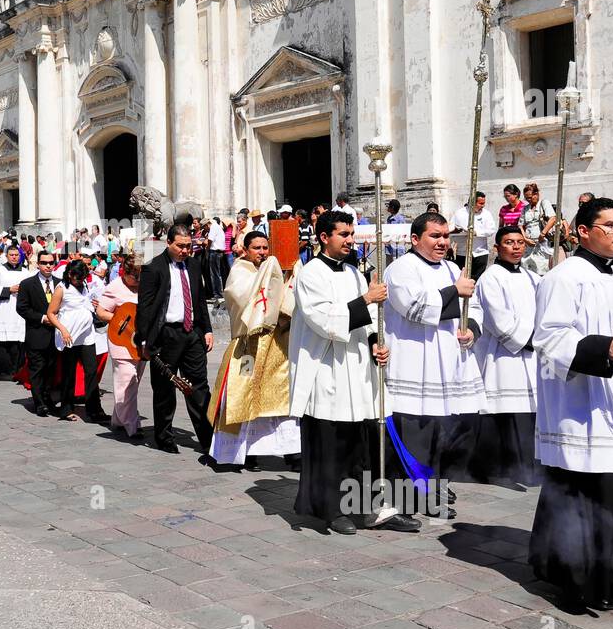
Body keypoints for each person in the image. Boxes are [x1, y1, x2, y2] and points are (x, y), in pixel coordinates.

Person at [528, 197, 613, 612]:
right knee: (584, 496)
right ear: (583, 231)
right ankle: (575, 582)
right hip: (581, 406)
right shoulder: (564, 277)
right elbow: (549, 338)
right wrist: (603, 347)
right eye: (610, 225)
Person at [290, 212, 416, 533]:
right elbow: (323, 320)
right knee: (334, 445)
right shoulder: (310, 274)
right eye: (344, 234)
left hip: (357, 370)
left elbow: (371, 319)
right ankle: (333, 510)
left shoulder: (354, 272)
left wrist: (376, 342)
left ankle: (370, 508)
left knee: (362, 444)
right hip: (328, 370)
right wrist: (365, 299)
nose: (350, 240)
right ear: (323, 237)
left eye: (351, 234)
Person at [383, 211, 485, 517]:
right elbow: (414, 308)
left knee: (443, 435)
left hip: (448, 364)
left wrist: (472, 329)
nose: (442, 242)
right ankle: (415, 497)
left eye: (445, 236)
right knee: (416, 436)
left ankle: (432, 489)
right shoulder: (401, 269)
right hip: (414, 364)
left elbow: (474, 306)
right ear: (415, 239)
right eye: (435, 236)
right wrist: (456, 291)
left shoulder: (454, 268)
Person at [207, 231, 301, 471]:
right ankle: (246, 452)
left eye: (265, 248)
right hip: (248, 346)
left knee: (282, 397)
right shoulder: (240, 271)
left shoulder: (275, 269)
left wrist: (284, 276)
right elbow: (240, 298)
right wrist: (269, 275)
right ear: (246, 250)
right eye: (257, 248)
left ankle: (292, 452)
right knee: (245, 394)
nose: (262, 253)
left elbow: (286, 296)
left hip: (277, 344)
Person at [134, 225, 216, 456]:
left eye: (188, 246)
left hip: (192, 334)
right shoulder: (154, 268)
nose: (184, 250)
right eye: (180, 246)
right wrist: (143, 340)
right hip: (165, 335)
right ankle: (164, 437)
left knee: (199, 387)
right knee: (164, 389)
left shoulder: (193, 264)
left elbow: (200, 301)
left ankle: (208, 439)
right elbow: (145, 308)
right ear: (168, 242)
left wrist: (207, 330)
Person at [472, 227, 540, 487]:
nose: (516, 247)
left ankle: (530, 467)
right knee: (506, 413)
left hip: (531, 356)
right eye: (509, 242)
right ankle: (501, 469)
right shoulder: (491, 278)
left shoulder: (534, 277)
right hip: (503, 355)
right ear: (497, 248)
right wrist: (534, 340)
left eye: (520, 242)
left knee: (529, 413)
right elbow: (499, 321)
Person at [47, 258, 103, 422]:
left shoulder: (84, 286)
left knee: (91, 371)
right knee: (69, 373)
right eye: (76, 277)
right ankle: (66, 409)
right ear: (69, 273)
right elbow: (51, 312)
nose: (78, 280)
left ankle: (95, 409)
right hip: (69, 335)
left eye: (82, 277)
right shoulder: (61, 288)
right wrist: (62, 329)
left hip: (87, 334)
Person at [96, 257, 145, 439]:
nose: (138, 280)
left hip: (139, 342)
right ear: (125, 272)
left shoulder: (145, 285)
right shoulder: (115, 287)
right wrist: (121, 321)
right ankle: (133, 424)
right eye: (135, 276)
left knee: (135, 381)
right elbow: (101, 312)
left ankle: (118, 419)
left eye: (141, 275)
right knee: (127, 380)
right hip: (120, 340)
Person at [17, 251, 62, 416]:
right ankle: (39, 402)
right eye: (44, 263)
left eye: (51, 263)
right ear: (38, 264)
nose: (48, 266)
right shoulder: (28, 284)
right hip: (36, 334)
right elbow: (22, 308)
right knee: (37, 369)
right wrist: (43, 318)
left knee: (51, 369)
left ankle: (48, 398)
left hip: (55, 336)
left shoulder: (60, 283)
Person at [0, 244, 33, 380]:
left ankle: (15, 371)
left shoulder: (25, 272)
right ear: (6, 256)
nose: (14, 257)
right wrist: (8, 290)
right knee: (0, 341)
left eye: (17, 255)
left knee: (16, 342)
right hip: (2, 309)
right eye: (12, 255)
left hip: (18, 311)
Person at [449, 192, 497, 279]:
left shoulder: (486, 214)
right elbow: (450, 229)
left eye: (484, 203)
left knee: (478, 279)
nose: (483, 206)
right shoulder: (459, 213)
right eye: (481, 203)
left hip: (480, 252)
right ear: (472, 203)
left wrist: (476, 233)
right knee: (463, 278)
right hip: (463, 253)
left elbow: (491, 230)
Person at [518, 182, 557, 274]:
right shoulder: (525, 208)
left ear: (536, 194)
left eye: (530, 197)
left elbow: (553, 218)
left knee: (541, 268)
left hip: (542, 243)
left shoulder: (544, 203)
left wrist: (543, 233)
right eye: (526, 198)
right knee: (527, 268)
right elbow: (520, 225)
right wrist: (525, 238)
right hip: (529, 244)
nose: (528, 200)